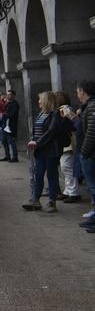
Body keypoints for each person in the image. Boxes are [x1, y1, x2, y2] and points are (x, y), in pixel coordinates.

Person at [22, 91, 65, 213]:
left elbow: (51, 131)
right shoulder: (41, 114)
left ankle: (52, 202)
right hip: (40, 151)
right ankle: (35, 199)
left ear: (46, 101)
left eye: (40, 99)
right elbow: (38, 131)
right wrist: (33, 141)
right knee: (38, 175)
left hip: (51, 150)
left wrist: (38, 142)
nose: (38, 101)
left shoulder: (55, 114)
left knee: (52, 176)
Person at [73, 81, 95, 232]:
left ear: (82, 91)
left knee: (93, 187)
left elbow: (92, 133)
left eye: (78, 91)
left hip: (90, 153)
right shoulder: (87, 107)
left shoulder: (92, 106)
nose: (77, 94)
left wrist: (84, 152)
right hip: (88, 153)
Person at [55, 91, 78, 203]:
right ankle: (68, 191)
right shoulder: (62, 109)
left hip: (67, 141)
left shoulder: (64, 109)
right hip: (65, 141)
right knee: (65, 167)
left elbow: (74, 122)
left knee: (67, 167)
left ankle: (72, 192)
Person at [0, 90, 20, 162]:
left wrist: (5, 114)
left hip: (11, 126)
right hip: (5, 125)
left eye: (10, 94)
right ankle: (7, 156)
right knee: (4, 141)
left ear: (14, 96)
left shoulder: (15, 104)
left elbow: (13, 114)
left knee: (11, 141)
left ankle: (15, 157)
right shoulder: (7, 103)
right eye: (7, 94)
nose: (8, 96)